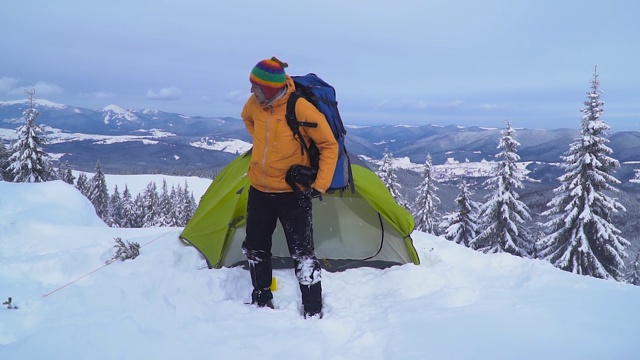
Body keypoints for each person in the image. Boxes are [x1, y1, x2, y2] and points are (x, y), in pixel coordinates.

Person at [240, 57, 338, 318]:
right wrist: (264, 145)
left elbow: (329, 145)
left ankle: (313, 308)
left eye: (256, 87)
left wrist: (319, 185)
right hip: (259, 190)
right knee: (256, 247)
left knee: (303, 254)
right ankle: (261, 299)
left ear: (270, 89)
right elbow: (247, 118)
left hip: (293, 194)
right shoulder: (255, 105)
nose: (252, 92)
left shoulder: (301, 108)